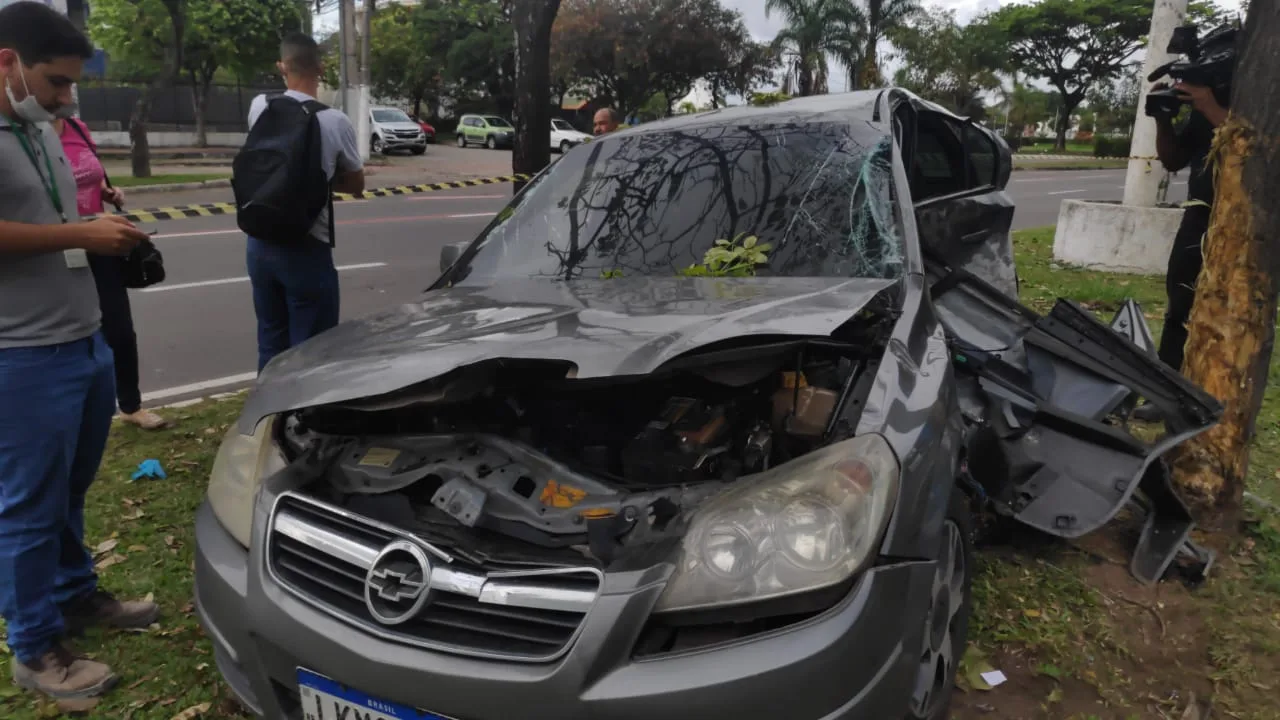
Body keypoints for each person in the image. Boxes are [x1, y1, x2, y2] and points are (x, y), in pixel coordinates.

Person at [0, 1, 160, 701]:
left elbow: (47, 218)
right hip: (22, 357)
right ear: (6, 61)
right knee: (29, 508)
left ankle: (74, 595)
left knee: (68, 492)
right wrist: (79, 238)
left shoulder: (36, 128)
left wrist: (93, 221)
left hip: (80, 340)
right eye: (56, 81)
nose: (67, 97)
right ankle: (35, 650)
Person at [243, 32, 365, 372]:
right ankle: (305, 419)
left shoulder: (259, 107)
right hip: (307, 245)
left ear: (282, 67)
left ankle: (270, 418)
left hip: (259, 241)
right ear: (321, 68)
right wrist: (325, 175)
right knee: (313, 351)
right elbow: (356, 185)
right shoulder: (334, 120)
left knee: (270, 338)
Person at [54, 114, 169, 430]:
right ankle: (73, 411)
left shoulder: (77, 128)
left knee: (119, 329)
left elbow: (95, 177)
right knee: (68, 333)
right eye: (58, 83)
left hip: (99, 242)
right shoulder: (25, 134)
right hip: (54, 249)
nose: (66, 96)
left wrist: (108, 192)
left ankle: (130, 405)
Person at [1132, 79, 1229, 422]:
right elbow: (1173, 160)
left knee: (1230, 313)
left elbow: (1257, 146)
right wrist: (1162, 116)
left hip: (1245, 224)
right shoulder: (1205, 109)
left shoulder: (1259, 97)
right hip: (1200, 214)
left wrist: (1212, 108)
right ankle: (1166, 395)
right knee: (1179, 308)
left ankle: (1219, 400)